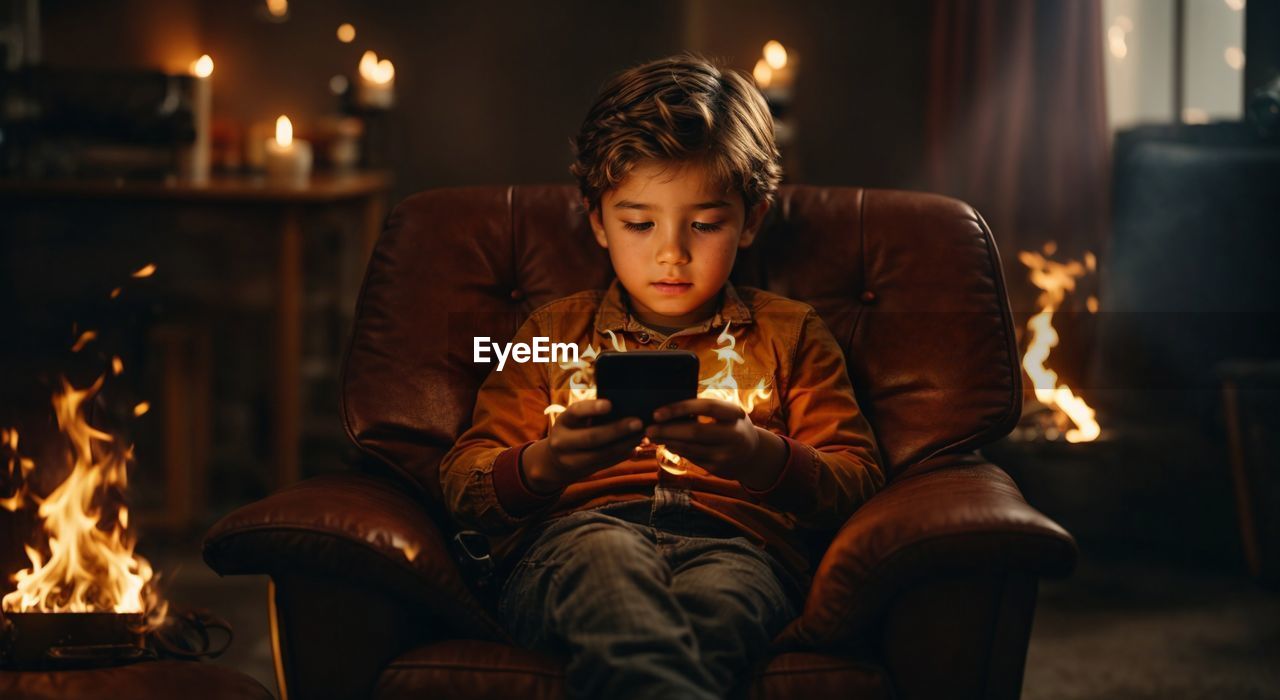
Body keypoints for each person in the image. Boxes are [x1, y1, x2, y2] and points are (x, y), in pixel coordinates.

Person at [439, 52, 884, 699]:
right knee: (608, 561)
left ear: (751, 219)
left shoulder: (790, 333)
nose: (671, 252)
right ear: (597, 220)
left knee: (722, 605)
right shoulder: (552, 334)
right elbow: (462, 483)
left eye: (704, 224)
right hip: (577, 540)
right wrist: (547, 463)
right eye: (639, 223)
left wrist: (756, 454)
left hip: (737, 551)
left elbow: (859, 479)